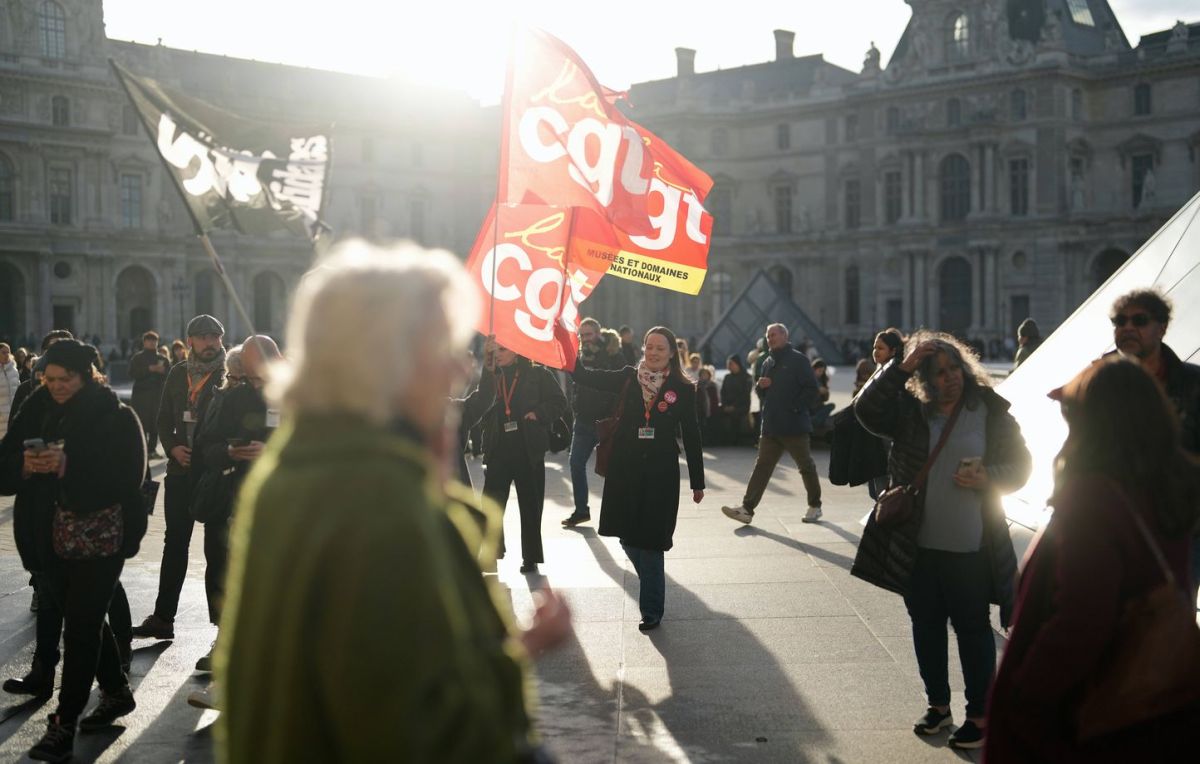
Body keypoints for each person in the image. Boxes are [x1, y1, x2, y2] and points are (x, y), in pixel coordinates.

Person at [216, 242, 571, 763]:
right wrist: (522, 650)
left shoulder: (294, 469)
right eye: (444, 347)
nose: (460, 368)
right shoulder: (383, 505)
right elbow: (424, 737)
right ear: (389, 360)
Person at [985, 358, 1200, 762]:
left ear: (1095, 424)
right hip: (1149, 703)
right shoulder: (1169, 485)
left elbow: (1081, 620)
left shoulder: (1094, 500)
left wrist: (1023, 697)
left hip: (1088, 714)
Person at [852, 331, 1030, 751]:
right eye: (939, 372)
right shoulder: (911, 412)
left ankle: (980, 714)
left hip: (971, 546)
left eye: (955, 369)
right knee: (926, 627)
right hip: (917, 545)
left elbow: (1021, 466)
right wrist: (902, 366)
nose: (950, 378)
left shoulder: (990, 411)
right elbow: (864, 409)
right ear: (925, 379)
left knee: (972, 630)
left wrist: (988, 476)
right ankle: (937, 706)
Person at [0, 340, 148, 762]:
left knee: (80, 629)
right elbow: (4, 462)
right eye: (49, 379)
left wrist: (65, 466)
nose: (56, 386)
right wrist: (25, 466)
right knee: (83, 619)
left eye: (66, 379)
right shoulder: (36, 406)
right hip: (46, 537)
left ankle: (63, 726)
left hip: (100, 539)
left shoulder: (116, 415)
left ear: (87, 376)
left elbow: (129, 479)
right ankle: (116, 692)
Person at [571, 326, 705, 631]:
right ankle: (652, 582)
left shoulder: (682, 388)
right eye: (649, 346)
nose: (653, 352)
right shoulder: (628, 377)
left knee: (652, 541)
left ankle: (651, 610)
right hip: (625, 469)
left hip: (661, 472)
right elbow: (583, 376)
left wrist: (697, 481)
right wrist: (567, 345)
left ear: (671, 353)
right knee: (628, 538)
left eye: (660, 348)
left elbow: (692, 434)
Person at [187, 337, 280, 709]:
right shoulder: (232, 399)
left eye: (260, 377)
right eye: (249, 377)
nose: (254, 385)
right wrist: (229, 451)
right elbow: (205, 447)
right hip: (233, 501)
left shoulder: (297, 398)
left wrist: (271, 451)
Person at [131, 315, 226, 640]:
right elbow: (162, 419)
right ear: (190, 342)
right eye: (203, 337)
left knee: (217, 549)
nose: (210, 342)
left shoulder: (230, 375)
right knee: (174, 544)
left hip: (214, 475)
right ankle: (163, 618)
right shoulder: (177, 373)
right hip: (180, 471)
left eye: (214, 336)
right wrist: (171, 447)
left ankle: (222, 629)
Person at [1105, 288, 1200, 595]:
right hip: (1115, 530)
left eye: (1139, 320)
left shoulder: (1194, 384)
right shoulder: (1097, 384)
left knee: (1171, 614)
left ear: (1162, 327)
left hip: (1179, 532)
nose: (1127, 327)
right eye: (1120, 321)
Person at [464, 338, 566, 574]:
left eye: (503, 349)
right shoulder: (492, 374)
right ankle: (491, 553)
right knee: (491, 504)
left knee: (531, 506)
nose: (498, 354)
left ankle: (531, 557)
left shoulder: (538, 374)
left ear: (517, 351)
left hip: (528, 449)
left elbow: (559, 402)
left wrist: (538, 413)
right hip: (498, 449)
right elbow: (479, 402)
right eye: (495, 350)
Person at [722, 323, 824, 525]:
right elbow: (764, 395)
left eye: (774, 335)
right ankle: (747, 509)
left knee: (805, 466)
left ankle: (815, 505)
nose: (770, 339)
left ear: (785, 336)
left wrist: (795, 408)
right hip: (771, 425)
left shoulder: (798, 360)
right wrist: (761, 387)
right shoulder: (767, 362)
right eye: (768, 336)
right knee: (762, 467)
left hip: (794, 425)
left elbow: (811, 389)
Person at [563, 318, 624, 528]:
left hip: (606, 421)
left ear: (598, 334)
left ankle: (618, 510)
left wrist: (613, 414)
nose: (585, 339)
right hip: (583, 419)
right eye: (582, 335)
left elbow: (621, 384)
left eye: (588, 334)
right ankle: (581, 510)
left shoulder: (613, 354)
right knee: (575, 463)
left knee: (612, 468)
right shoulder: (580, 354)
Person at [129, 331, 169, 457]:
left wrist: (163, 371)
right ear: (144, 342)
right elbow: (132, 373)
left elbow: (169, 376)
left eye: (154, 340)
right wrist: (149, 369)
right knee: (142, 423)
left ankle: (152, 449)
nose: (152, 343)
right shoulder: (137, 358)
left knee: (155, 424)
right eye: (149, 340)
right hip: (141, 396)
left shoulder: (163, 359)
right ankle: (143, 449)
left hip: (157, 395)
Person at [718, 354, 753, 445]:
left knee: (735, 414)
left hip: (742, 405)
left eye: (731, 364)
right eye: (728, 364)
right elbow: (723, 393)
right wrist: (725, 405)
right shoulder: (727, 377)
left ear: (737, 364)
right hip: (727, 405)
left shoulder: (746, 377)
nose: (729, 366)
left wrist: (734, 406)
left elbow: (745, 395)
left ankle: (734, 440)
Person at [696, 365, 720, 444]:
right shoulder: (697, 386)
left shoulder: (712, 385)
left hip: (711, 408)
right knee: (701, 425)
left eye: (706, 374)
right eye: (702, 374)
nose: (704, 376)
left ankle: (712, 441)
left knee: (712, 424)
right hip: (700, 409)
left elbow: (715, 398)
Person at [1, 342, 19, 440]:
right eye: (3, 352)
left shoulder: (14, 370)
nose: (6, 355)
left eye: (8, 352)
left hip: (13, 416)